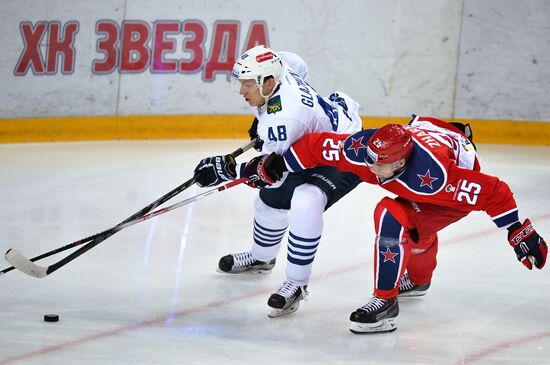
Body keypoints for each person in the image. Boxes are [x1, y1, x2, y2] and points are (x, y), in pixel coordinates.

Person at [244, 114, 547, 332]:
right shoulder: (360, 151)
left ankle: (385, 303)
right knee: (410, 225)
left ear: (401, 162)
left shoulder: (437, 179)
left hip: (448, 182)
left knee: (391, 215)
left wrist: (520, 232)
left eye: (380, 163)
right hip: (433, 130)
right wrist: (275, 166)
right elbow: (313, 146)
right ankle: (418, 279)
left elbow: (494, 192)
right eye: (369, 158)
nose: (370, 167)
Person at [193, 45, 364, 317]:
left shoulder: (285, 119)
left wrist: (226, 171)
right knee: (269, 203)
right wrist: (261, 120)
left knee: (306, 201)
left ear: (269, 82)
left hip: (346, 151)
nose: (241, 91)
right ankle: (261, 258)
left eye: (248, 85)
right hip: (315, 142)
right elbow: (299, 65)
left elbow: (271, 173)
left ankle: (296, 284)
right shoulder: (281, 65)